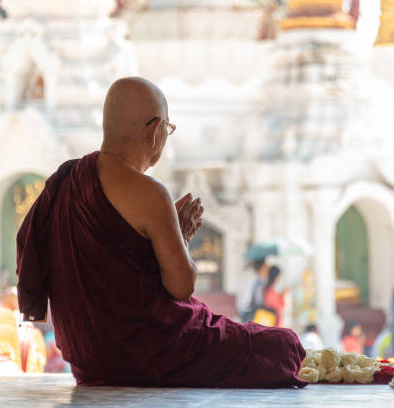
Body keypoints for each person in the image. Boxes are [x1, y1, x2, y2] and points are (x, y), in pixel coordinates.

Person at [16, 77, 306, 388]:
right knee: (283, 345)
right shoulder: (150, 194)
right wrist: (181, 238)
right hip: (153, 354)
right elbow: (181, 287)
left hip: (89, 360)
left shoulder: (65, 182)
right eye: (166, 130)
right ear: (154, 133)